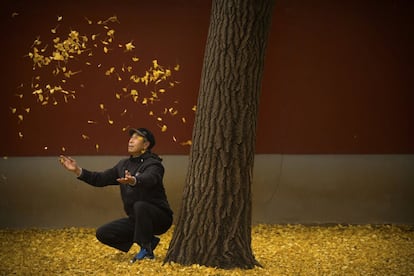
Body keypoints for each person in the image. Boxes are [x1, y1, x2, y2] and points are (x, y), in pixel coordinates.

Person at [59, 127, 173, 263]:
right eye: (131, 137)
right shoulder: (123, 165)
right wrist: (77, 170)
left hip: (160, 217)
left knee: (140, 205)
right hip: (137, 221)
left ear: (146, 145)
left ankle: (146, 250)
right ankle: (148, 239)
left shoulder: (154, 164)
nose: (131, 140)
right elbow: (100, 179)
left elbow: (151, 178)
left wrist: (134, 181)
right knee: (103, 233)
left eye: (137, 138)